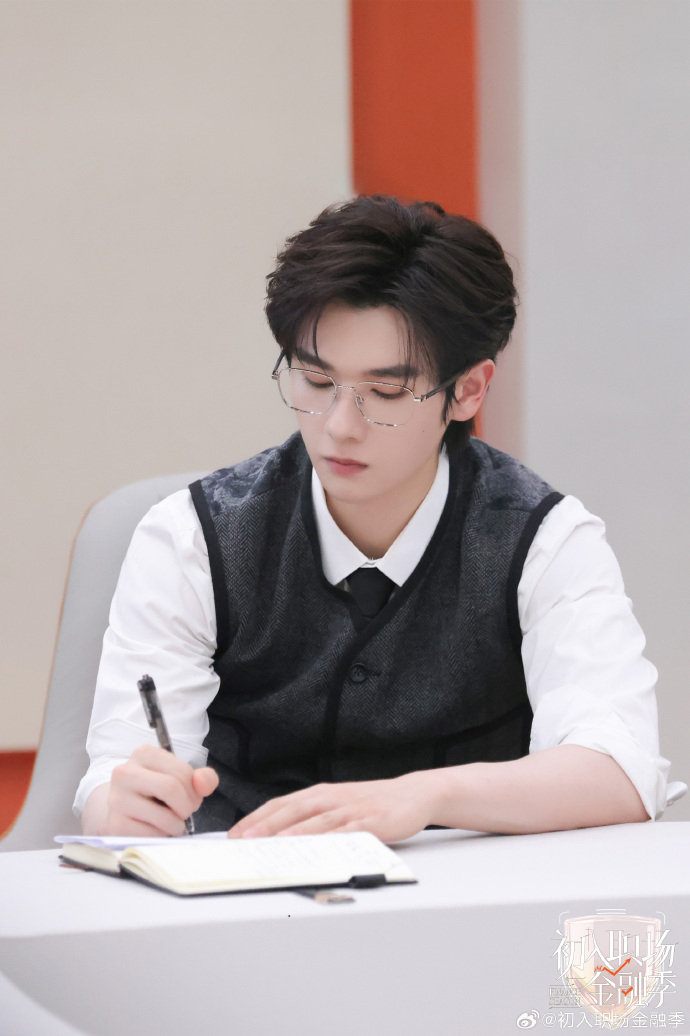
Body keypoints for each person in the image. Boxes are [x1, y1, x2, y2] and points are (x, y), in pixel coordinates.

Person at [76, 195, 681, 840]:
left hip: (472, 891)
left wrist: (428, 796)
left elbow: (619, 770)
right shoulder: (191, 538)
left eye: (387, 392)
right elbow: (112, 781)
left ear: (469, 390)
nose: (340, 426)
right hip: (246, 886)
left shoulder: (544, 540)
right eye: (315, 380)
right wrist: (123, 806)